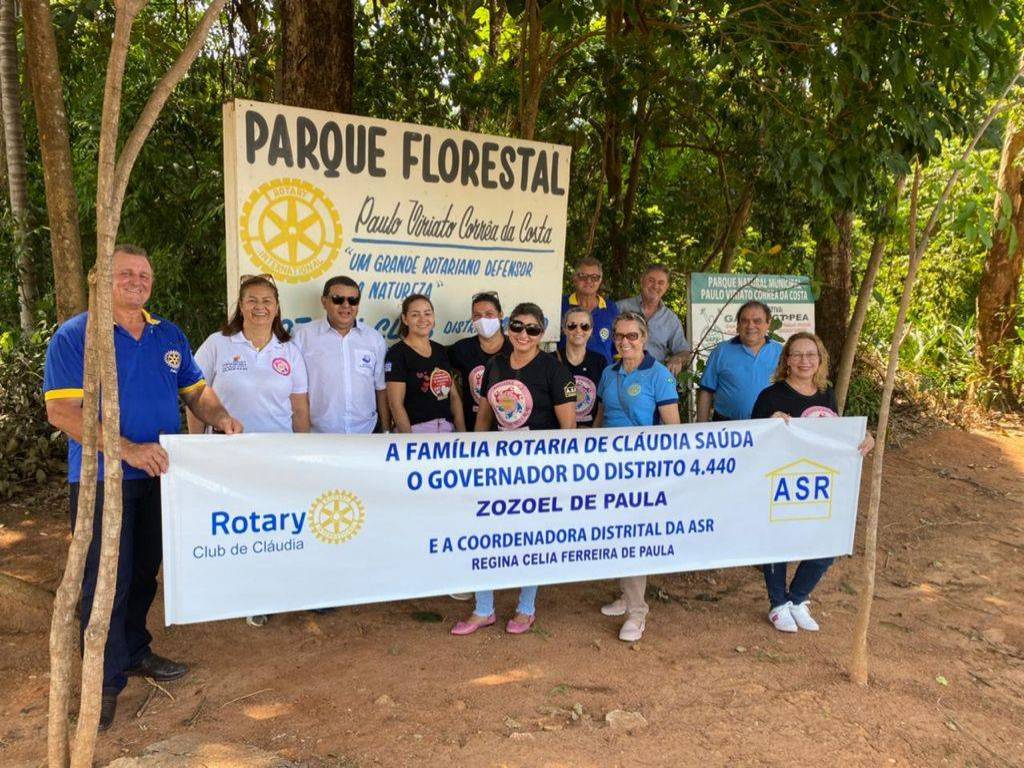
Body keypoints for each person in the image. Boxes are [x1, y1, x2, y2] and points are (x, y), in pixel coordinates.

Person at [43, 245, 242, 731]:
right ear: (101, 280)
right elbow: (62, 411)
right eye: (126, 274)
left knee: (143, 573)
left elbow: (196, 392)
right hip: (101, 478)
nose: (137, 281)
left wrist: (220, 417)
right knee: (104, 579)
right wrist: (126, 449)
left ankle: (134, 650)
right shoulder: (77, 335)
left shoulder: (167, 334)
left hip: (159, 476)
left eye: (144, 275)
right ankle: (102, 682)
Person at [188, 273, 310, 628]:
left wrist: (302, 455)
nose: (260, 307)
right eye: (252, 300)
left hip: (277, 456)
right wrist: (197, 445)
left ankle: (264, 594)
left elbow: (300, 409)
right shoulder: (217, 344)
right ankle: (232, 590)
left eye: (267, 301)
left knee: (271, 526)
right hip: (227, 454)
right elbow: (194, 396)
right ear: (240, 306)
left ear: (277, 308)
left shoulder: (289, 351)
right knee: (234, 525)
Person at [452, 303, 577, 636]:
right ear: (508, 327)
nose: (524, 334)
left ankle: (526, 608)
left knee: (530, 536)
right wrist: (476, 459)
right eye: (518, 327)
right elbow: (483, 418)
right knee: (485, 533)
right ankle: (483, 609)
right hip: (498, 466)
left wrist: (557, 471)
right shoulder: (494, 366)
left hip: (538, 468)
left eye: (532, 329)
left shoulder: (554, 370)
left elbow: (568, 428)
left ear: (542, 332)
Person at [751, 331, 874, 633]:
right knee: (778, 542)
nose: (804, 360)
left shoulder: (826, 394)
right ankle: (778, 604)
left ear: (820, 360)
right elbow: (752, 440)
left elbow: (833, 434)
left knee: (827, 542)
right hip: (781, 480)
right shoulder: (770, 396)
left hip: (820, 482)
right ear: (787, 360)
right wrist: (769, 424)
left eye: (810, 354)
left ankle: (797, 598)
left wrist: (862, 437)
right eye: (797, 354)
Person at [593, 311, 680, 642]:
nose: (624, 342)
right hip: (607, 465)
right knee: (615, 531)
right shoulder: (608, 372)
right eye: (619, 335)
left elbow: (672, 428)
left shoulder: (659, 375)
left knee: (632, 535)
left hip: (641, 469)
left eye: (632, 336)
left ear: (644, 339)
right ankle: (626, 595)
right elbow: (602, 416)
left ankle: (637, 611)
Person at [292, 276, 390, 434]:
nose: (346, 305)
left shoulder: (374, 339)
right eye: (338, 299)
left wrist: (386, 431)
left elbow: (381, 388)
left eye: (353, 300)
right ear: (324, 301)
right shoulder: (302, 336)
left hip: (367, 433)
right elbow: (294, 391)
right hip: (319, 435)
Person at [386, 294, 466, 433]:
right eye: (415, 315)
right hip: (416, 431)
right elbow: (395, 404)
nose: (423, 319)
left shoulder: (440, 351)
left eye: (427, 313)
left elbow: (453, 397)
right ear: (405, 319)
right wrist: (409, 441)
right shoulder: (397, 353)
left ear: (433, 317)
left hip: (446, 430)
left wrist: (462, 434)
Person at [697, 300, 783, 422]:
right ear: (738, 325)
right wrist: (701, 425)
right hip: (727, 426)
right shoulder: (721, 351)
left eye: (757, 321)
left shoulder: (781, 352)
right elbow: (706, 391)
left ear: (768, 323)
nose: (750, 326)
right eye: (744, 321)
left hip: (769, 425)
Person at [448, 291, 513, 431]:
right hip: (473, 427)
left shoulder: (515, 348)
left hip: (509, 429)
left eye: (489, 314)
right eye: (477, 315)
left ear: (500, 315)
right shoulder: (462, 349)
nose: (483, 320)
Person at [616, 263, 692, 375]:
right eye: (651, 280)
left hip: (655, 378)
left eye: (661, 283)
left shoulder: (670, 319)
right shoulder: (620, 308)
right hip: (621, 375)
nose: (655, 286)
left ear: (666, 287)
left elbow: (684, 351)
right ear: (642, 280)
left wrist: (678, 359)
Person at [560, 257, 619, 363]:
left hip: (602, 371)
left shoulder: (611, 308)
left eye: (594, 277)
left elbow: (618, 345)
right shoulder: (561, 305)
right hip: (566, 370)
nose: (588, 281)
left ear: (600, 280)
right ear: (575, 278)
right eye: (583, 276)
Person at [555, 306, 606, 427]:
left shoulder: (599, 361)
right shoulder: (551, 360)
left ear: (591, 330)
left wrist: (594, 431)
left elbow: (602, 402)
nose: (578, 330)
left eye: (584, 326)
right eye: (572, 326)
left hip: (590, 433)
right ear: (564, 329)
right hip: (559, 433)